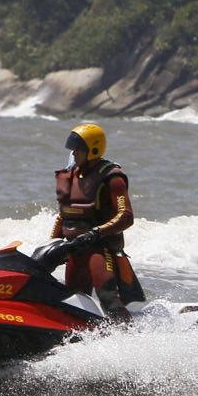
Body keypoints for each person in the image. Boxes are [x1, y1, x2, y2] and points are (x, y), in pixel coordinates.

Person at [52, 123, 144, 319]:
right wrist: (52, 244)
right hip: (74, 249)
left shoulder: (112, 178)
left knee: (107, 297)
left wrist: (95, 233)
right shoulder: (71, 176)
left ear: (93, 149)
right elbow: (65, 215)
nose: (73, 153)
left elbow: (126, 216)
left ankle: (130, 337)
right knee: (72, 300)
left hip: (100, 250)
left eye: (78, 149)